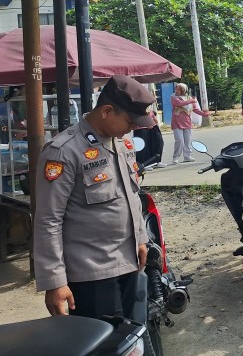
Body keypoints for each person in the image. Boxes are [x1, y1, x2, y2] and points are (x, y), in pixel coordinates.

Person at [33, 75, 155, 319]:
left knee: (132, 340)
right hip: (92, 274)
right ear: (107, 111)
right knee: (103, 350)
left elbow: (131, 195)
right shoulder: (63, 151)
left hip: (129, 262)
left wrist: (140, 238)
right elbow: (48, 219)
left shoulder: (120, 142)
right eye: (130, 121)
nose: (133, 127)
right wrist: (54, 281)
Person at [170, 83, 209, 165]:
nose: (176, 90)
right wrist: (191, 100)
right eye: (176, 89)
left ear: (183, 90)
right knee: (179, 140)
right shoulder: (173, 97)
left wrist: (203, 114)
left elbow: (195, 109)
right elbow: (179, 103)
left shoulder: (189, 98)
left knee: (188, 140)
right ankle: (176, 157)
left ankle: (187, 156)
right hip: (177, 122)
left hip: (187, 122)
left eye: (178, 89)